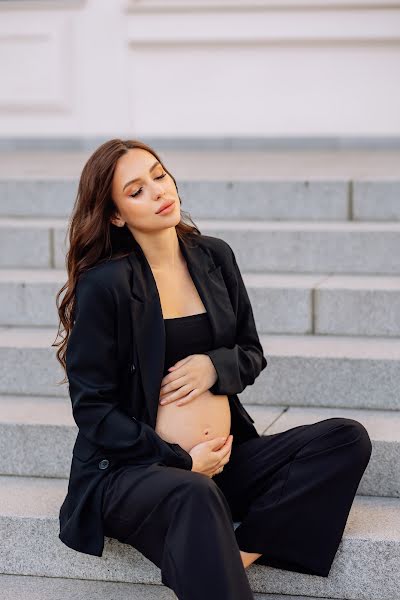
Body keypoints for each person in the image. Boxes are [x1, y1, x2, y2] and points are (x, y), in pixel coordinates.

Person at [54, 139, 373, 600]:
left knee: (345, 438)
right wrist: (182, 461)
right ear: (116, 215)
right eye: (136, 190)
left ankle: (237, 554)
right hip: (130, 472)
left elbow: (250, 352)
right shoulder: (106, 284)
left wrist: (212, 366)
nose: (159, 191)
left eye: (159, 176)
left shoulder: (213, 256)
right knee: (193, 493)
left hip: (223, 460)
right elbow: (93, 410)